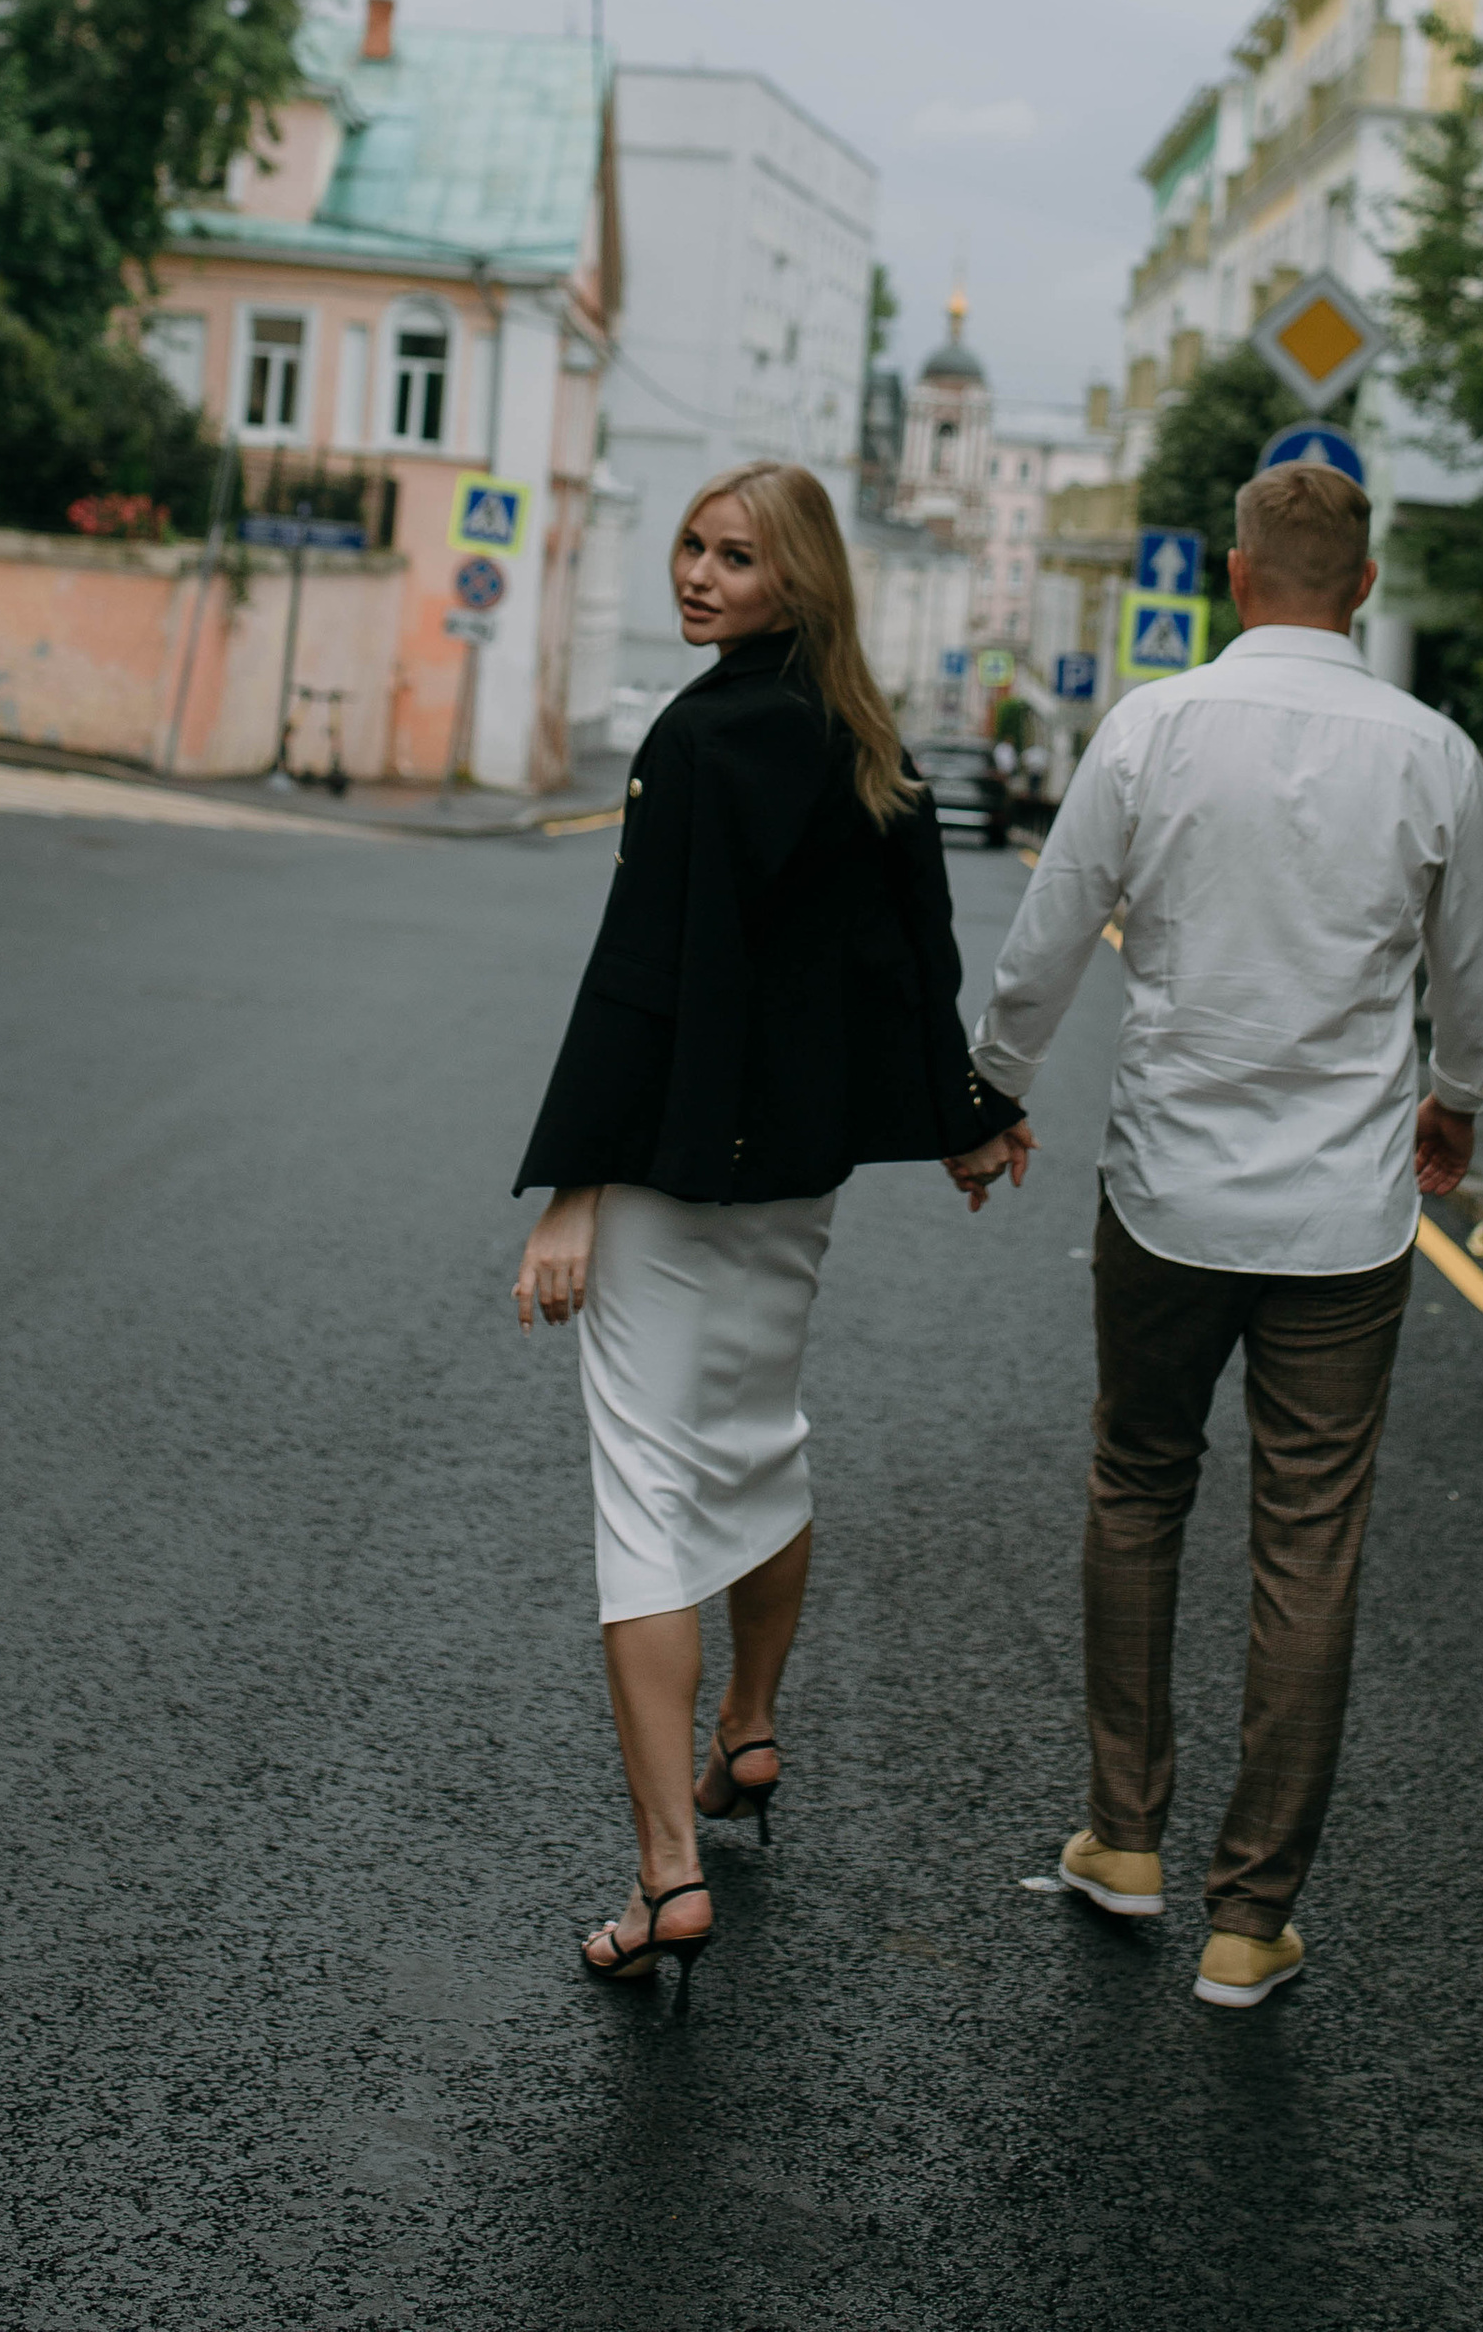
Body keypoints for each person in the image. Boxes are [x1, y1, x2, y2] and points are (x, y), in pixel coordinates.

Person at [968, 459, 1483, 2013]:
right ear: (1368, 583)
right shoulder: (1435, 755)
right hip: (1346, 1215)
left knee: (1138, 1485)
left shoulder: (1152, 728)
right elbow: (1470, 977)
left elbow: (1051, 929)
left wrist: (992, 1088)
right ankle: (1247, 1918)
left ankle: (1123, 1840)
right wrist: (1455, 1103)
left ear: (1228, 574)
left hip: (1170, 1194)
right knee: (1308, 1539)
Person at [512, 459, 1030, 2012]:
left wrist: (573, 1183)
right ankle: (749, 1726)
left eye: (734, 559)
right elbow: (912, 966)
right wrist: (964, 1116)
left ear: (796, 582)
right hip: (794, 1182)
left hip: (675, 1178)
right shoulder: (870, 748)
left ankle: (667, 1871)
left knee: (646, 1505)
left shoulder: (695, 742)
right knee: (755, 1440)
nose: (696, 577)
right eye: (690, 548)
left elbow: (638, 978)